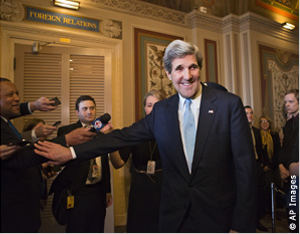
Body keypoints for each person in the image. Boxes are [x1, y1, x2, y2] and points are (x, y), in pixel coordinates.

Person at [35, 40, 257, 233]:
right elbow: (120, 137)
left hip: (218, 219)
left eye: (192, 67)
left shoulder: (229, 104)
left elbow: (245, 169)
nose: (187, 76)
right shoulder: (162, 111)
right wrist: (71, 152)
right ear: (169, 73)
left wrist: (241, 225)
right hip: (174, 220)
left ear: (200, 68)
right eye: (179, 69)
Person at [0, 77, 96, 232]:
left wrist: (34, 106)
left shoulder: (5, 120)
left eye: (17, 93)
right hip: (12, 212)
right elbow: (19, 157)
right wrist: (66, 140)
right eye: (10, 95)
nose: (17, 98)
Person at [49, 95, 113, 233]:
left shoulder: (102, 131)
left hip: (98, 192)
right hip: (76, 191)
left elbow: (105, 164)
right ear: (77, 112)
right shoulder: (66, 132)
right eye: (84, 109)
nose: (89, 112)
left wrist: (108, 190)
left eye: (92, 108)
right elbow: (61, 161)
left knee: (97, 229)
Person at [110, 89, 166, 233]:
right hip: (140, 187)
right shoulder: (135, 131)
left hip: (163, 187)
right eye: (149, 105)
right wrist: (111, 143)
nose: (152, 109)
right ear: (144, 108)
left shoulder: (171, 131)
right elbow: (118, 164)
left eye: (157, 105)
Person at [244, 105, 269, 232]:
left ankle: (258, 220)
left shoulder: (256, 131)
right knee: (249, 195)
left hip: (256, 165)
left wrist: (262, 163)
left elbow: (260, 149)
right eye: (247, 113)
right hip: (245, 168)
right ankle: (249, 222)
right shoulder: (240, 129)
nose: (250, 115)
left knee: (260, 192)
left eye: (251, 113)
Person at [258, 115, 281, 213]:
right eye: (262, 121)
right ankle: (265, 208)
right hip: (262, 166)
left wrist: (270, 166)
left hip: (273, 165)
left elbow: (278, 153)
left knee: (273, 183)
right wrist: (263, 165)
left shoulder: (274, 135)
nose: (264, 123)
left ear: (269, 123)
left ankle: (273, 208)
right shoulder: (257, 135)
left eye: (266, 121)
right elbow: (258, 152)